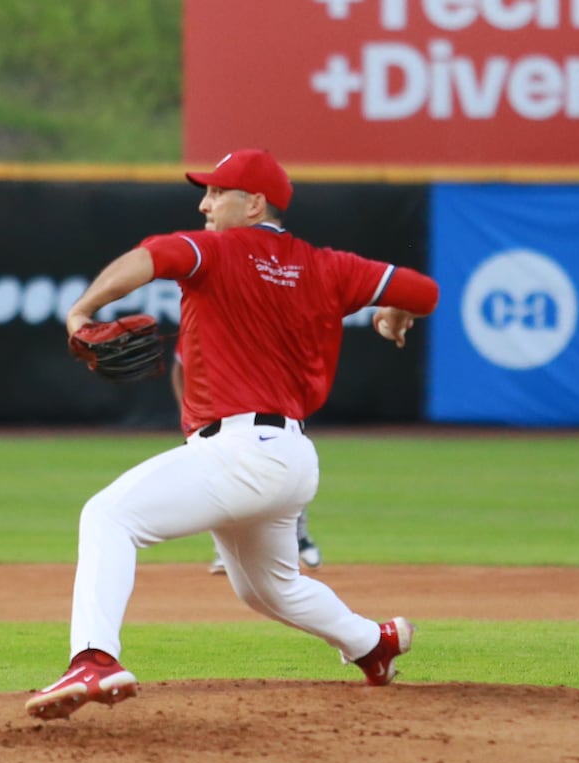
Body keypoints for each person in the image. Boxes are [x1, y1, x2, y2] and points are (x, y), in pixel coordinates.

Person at [25, 148, 440, 721]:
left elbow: (152, 257)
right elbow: (423, 290)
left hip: (239, 452)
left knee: (108, 516)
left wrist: (83, 309)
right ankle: (374, 643)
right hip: (291, 457)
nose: (204, 203)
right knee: (268, 589)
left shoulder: (213, 251)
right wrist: (396, 311)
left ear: (254, 203)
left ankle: (94, 659)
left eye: (216, 193)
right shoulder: (327, 266)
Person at [170, 346, 323, 574]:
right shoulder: (205, 324)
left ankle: (300, 538)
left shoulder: (259, 329)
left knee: (283, 470)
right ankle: (226, 550)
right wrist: (186, 409)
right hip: (219, 416)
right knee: (221, 478)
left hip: (270, 411)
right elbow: (179, 367)